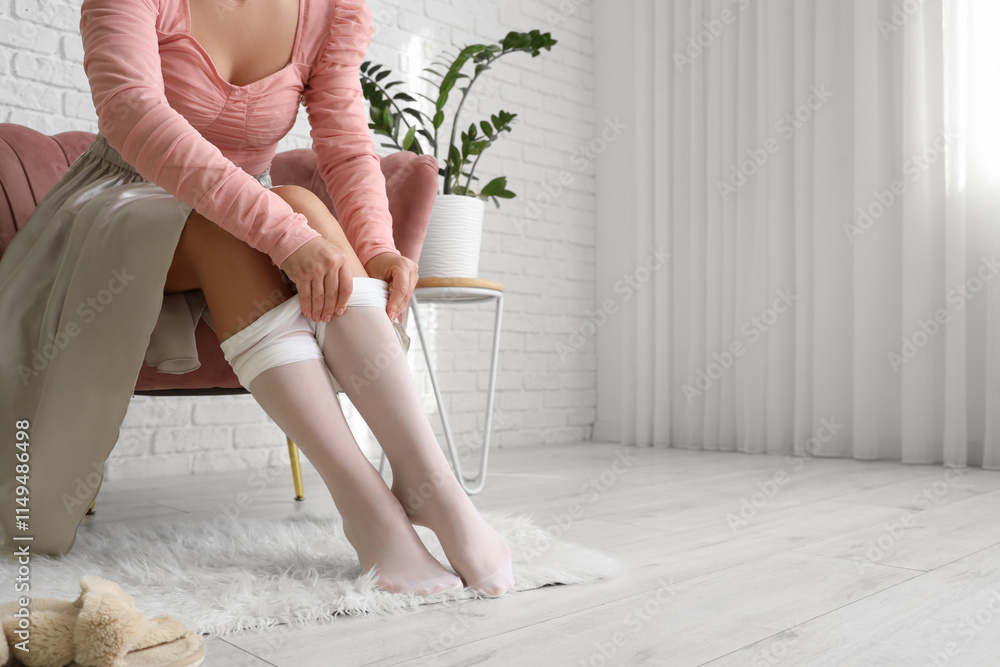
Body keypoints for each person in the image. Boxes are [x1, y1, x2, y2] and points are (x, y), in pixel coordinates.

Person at [0, 0, 514, 597]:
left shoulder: (330, 10)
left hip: (252, 210)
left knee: (301, 205)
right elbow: (131, 114)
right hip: (117, 207)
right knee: (268, 219)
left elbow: (345, 145)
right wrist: (282, 233)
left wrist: (375, 248)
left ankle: (430, 487)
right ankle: (367, 513)